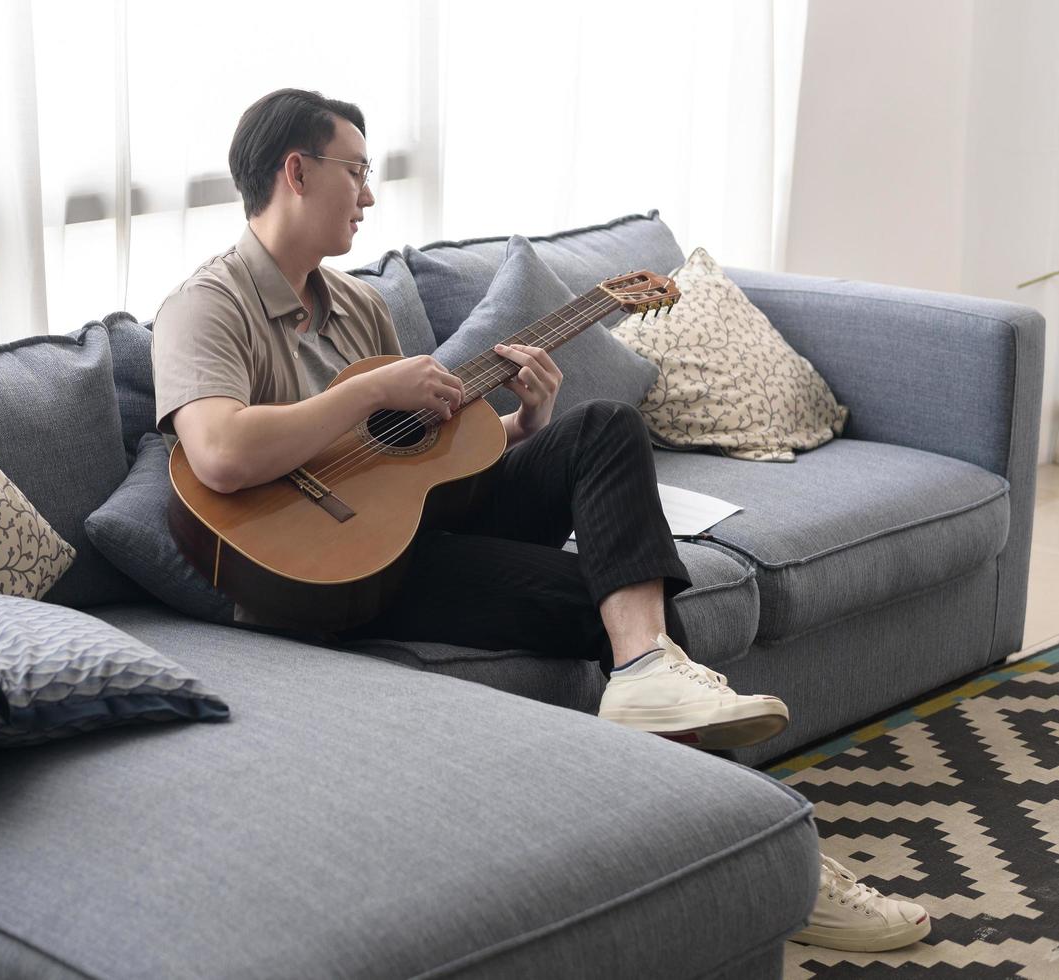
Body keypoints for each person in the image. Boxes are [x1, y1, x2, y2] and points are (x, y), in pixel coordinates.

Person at [152, 87, 930, 953]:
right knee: (615, 592)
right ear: (296, 172)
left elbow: (419, 458)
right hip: (328, 577)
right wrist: (372, 388)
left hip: (415, 532)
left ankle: (647, 677)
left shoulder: (357, 306)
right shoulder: (208, 305)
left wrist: (523, 428)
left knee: (603, 432)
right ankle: (778, 856)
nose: (368, 195)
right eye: (356, 172)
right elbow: (218, 453)